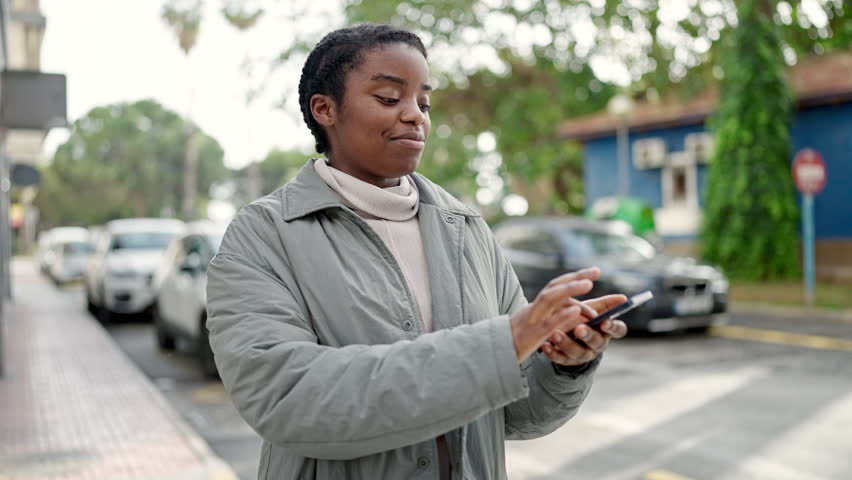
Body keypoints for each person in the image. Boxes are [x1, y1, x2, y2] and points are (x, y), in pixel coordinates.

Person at [206, 23, 628, 480]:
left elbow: (516, 409)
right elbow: (289, 399)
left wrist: (564, 365)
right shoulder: (264, 235)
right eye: (390, 98)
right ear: (325, 109)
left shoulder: (467, 230)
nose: (415, 117)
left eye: (424, 103)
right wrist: (502, 344)